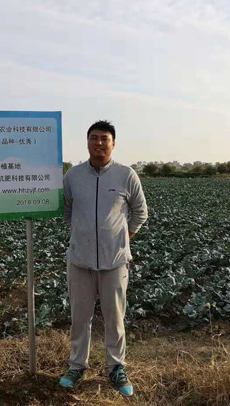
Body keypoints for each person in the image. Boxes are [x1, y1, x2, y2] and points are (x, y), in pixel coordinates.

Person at [59, 120, 148, 397]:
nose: (99, 143)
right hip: (80, 261)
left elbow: (140, 211)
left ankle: (116, 367)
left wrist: (122, 239)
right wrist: (81, 234)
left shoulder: (126, 175)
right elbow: (67, 210)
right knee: (79, 318)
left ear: (113, 143)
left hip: (115, 262)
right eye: (94, 138)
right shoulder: (73, 176)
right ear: (87, 143)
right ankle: (76, 366)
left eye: (104, 139)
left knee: (115, 317)